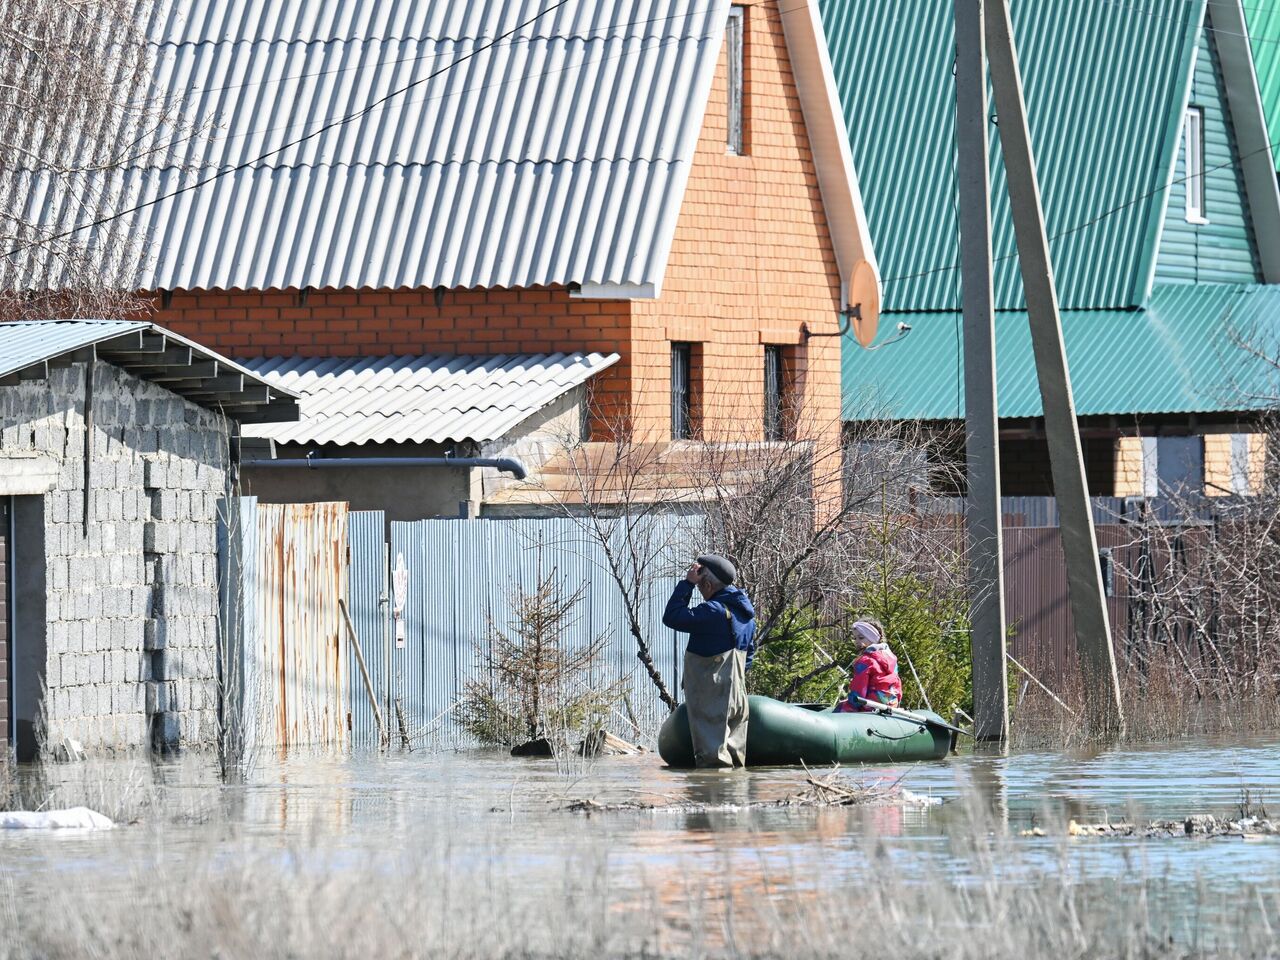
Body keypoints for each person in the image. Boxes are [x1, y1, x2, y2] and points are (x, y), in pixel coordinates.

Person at [662, 554, 756, 768]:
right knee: (736, 758)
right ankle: (736, 800)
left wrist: (687, 584)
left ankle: (714, 799)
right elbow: (749, 654)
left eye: (701, 585)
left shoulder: (712, 611)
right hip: (738, 697)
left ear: (706, 583)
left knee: (713, 762)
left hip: (712, 698)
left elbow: (672, 616)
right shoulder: (746, 615)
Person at [834, 619, 903, 713]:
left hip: (871, 706)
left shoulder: (865, 661)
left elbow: (858, 690)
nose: (856, 641)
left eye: (861, 638)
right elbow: (897, 684)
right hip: (891, 704)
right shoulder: (891, 658)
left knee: (840, 708)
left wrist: (850, 704)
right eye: (855, 638)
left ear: (872, 638)